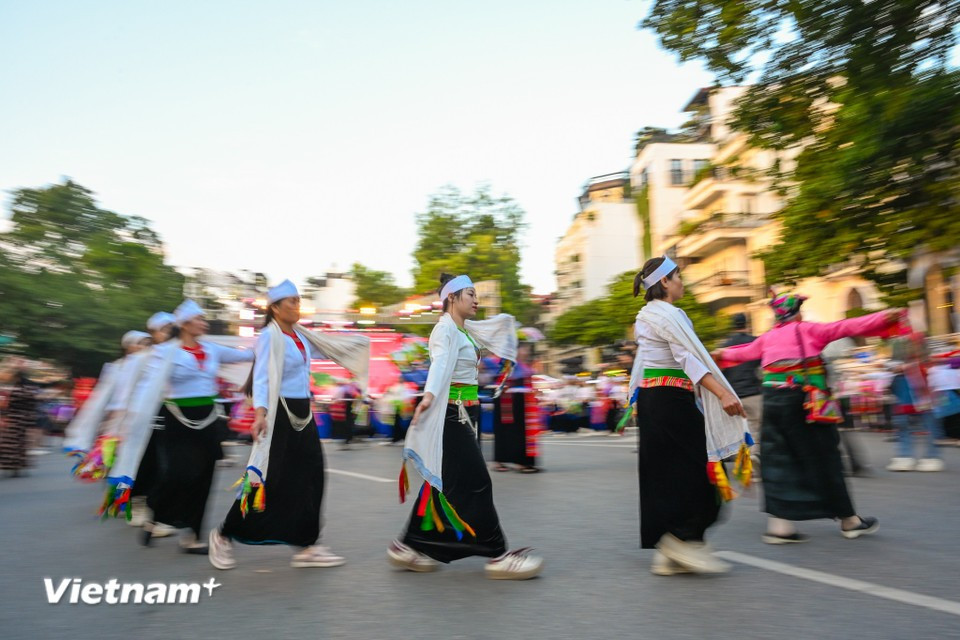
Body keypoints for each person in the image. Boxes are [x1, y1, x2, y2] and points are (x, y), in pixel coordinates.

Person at [387, 273, 543, 579]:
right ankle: (497, 554)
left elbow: (492, 334)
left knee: (442, 482)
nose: (476, 299)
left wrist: (509, 329)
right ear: (452, 298)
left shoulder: (465, 330)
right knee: (477, 482)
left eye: (475, 294)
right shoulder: (444, 330)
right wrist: (429, 396)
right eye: (470, 294)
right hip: (451, 414)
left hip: (467, 413)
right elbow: (441, 364)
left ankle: (408, 545)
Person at [715, 292, 902, 544]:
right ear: (797, 311)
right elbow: (848, 326)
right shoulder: (810, 330)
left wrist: (719, 354)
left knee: (777, 459)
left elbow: (742, 353)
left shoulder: (767, 338)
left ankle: (780, 527)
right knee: (824, 458)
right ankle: (849, 520)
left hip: (773, 401)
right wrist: (885, 317)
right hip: (804, 402)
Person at [209, 280, 369, 570]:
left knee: (312, 475)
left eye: (298, 300)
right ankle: (223, 534)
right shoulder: (270, 336)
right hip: (279, 412)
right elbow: (261, 377)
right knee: (267, 478)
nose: (297, 305)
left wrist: (358, 341)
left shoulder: (302, 336)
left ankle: (307, 545)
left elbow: (329, 349)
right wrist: (260, 414)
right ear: (275, 307)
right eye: (291, 301)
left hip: (303, 411)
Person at [628, 256, 749, 576]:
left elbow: (648, 362)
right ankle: (683, 538)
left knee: (666, 472)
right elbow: (687, 359)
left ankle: (671, 548)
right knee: (699, 469)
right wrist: (722, 392)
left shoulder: (647, 316)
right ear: (665, 282)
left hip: (657, 401)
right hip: (671, 401)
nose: (683, 281)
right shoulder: (669, 315)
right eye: (678, 276)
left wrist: (634, 401)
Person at [886, 334, 944, 472]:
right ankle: (906, 456)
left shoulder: (926, 366)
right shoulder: (900, 347)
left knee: (928, 427)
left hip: (921, 393)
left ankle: (930, 457)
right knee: (904, 425)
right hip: (906, 391)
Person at [721, 314, 762, 447]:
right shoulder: (755, 342)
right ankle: (755, 456)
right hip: (754, 393)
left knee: (741, 431)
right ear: (747, 324)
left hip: (734, 397)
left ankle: (746, 459)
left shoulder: (724, 347)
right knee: (757, 428)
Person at [0, 364, 39, 477]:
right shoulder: (30, 388)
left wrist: (3, 416)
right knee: (21, 442)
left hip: (13, 418)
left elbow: (5, 404)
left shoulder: (13, 389)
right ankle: (19, 466)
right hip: (25, 418)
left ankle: (12, 466)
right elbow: (33, 404)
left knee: (10, 443)